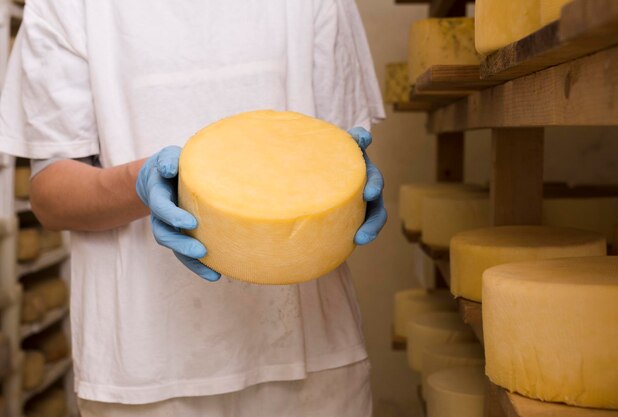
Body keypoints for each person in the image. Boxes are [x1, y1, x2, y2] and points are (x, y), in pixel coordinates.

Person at [0, 1, 387, 416]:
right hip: (145, 369)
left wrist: (351, 187)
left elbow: (337, 149)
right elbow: (51, 194)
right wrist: (137, 183)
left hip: (312, 355)